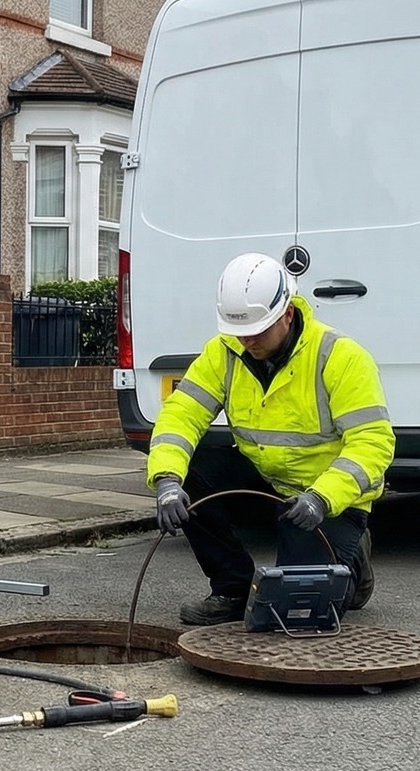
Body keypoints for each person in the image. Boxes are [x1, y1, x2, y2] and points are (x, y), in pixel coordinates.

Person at [147, 252, 395, 625]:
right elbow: (181, 414)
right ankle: (232, 588)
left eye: (258, 330)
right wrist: (167, 480)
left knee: (298, 611)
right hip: (266, 479)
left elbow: (373, 441)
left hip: (327, 499)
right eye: (239, 331)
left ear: (288, 314)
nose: (247, 340)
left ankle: (353, 566)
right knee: (195, 472)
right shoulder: (224, 352)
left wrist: (322, 498)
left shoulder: (340, 356)